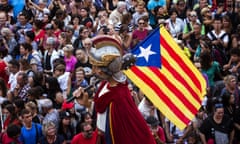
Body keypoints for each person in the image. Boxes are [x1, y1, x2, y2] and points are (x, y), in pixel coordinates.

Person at [73, 35, 156, 144]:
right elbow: (102, 110)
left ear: (104, 71)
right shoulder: (106, 84)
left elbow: (115, 130)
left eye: (96, 67)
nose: (93, 70)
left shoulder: (118, 97)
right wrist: (87, 104)